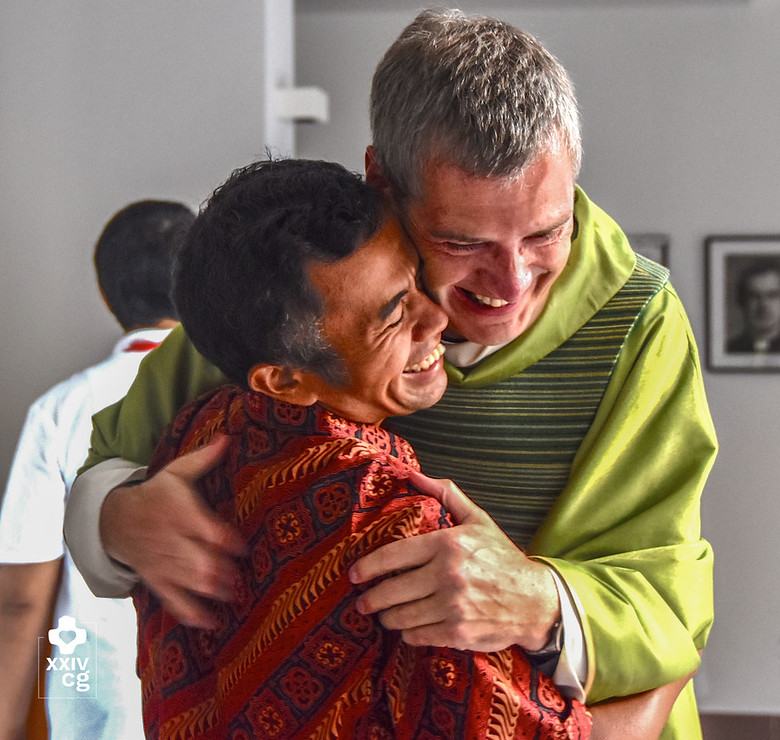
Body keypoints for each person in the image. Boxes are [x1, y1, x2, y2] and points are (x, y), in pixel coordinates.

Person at [64, 10, 717, 738]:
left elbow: (667, 590)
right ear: (383, 182)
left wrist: (539, 599)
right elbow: (107, 467)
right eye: (462, 241)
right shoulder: (290, 297)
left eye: (546, 231)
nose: (511, 283)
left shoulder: (636, 322)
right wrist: (117, 518)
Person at [134, 158, 591, 738]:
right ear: (285, 380)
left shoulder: (190, 438)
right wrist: (659, 682)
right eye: (393, 313)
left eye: (417, 277)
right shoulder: (401, 529)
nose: (436, 316)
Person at [0, 199, 193, 740]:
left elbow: (21, 597)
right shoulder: (246, 396)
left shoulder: (60, 410)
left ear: (108, 297)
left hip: (98, 709)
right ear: (202, 284)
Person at [726, 259, 780, 353]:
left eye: (772, 295)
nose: (764, 305)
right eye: (754, 296)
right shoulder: (728, 350)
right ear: (741, 301)